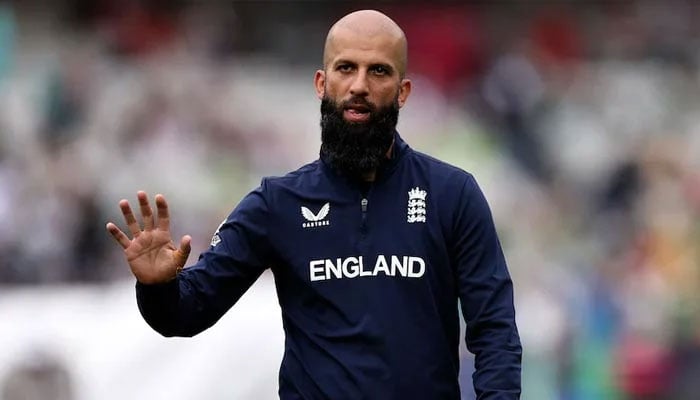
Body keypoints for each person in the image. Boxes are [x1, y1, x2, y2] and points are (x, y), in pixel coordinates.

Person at [106, 9, 522, 399]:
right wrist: (157, 287)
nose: (359, 85)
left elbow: (494, 331)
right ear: (322, 83)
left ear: (403, 92)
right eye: (346, 68)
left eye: (378, 71)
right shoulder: (277, 203)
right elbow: (187, 313)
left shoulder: (453, 194)